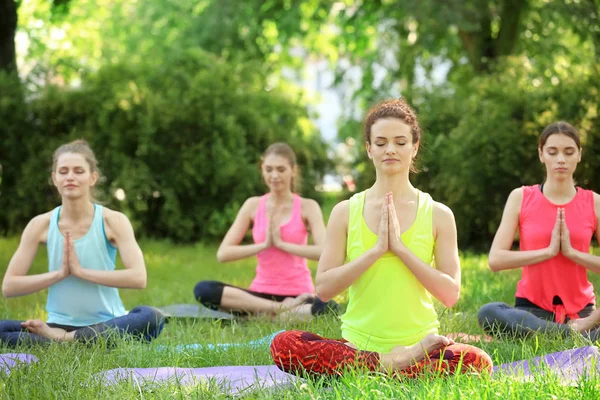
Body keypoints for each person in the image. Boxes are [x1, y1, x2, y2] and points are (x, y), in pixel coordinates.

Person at [270, 99, 492, 377]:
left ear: (415, 147)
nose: (390, 150)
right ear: (369, 148)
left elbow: (450, 294)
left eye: (400, 142)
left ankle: (368, 370)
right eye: (381, 142)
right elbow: (324, 289)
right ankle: (390, 366)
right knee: (283, 343)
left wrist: (400, 248)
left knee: (478, 361)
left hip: (422, 344)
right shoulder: (345, 212)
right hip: (358, 346)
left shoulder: (438, 214)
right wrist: (375, 250)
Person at [0, 140, 164, 346]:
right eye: (63, 171)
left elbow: (139, 278)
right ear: (54, 178)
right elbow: (9, 286)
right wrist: (59, 274)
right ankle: (71, 341)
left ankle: (65, 341)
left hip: (107, 324)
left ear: (92, 177)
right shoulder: (40, 224)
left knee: (152, 316)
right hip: (57, 324)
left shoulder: (113, 221)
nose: (70, 177)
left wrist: (81, 272)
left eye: (78, 171)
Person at [478, 121, 600, 340]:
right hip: (532, 311)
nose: (561, 159)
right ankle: (570, 334)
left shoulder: (594, 202)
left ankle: (561, 334)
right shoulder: (521, 197)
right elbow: (495, 260)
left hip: (583, 313)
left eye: (569, 152)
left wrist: (572, 253)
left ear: (579, 155)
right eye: (552, 152)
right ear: (541, 154)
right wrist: (549, 252)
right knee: (489, 313)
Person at [194, 143, 337, 319]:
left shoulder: (308, 207)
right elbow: (223, 254)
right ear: (262, 170)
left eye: (281, 169)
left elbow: (324, 252)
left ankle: (263, 314)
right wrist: (263, 245)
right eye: (269, 169)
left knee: (328, 307)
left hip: (299, 295)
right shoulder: (252, 205)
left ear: (293, 170)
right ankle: (278, 311)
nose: (274, 175)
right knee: (204, 289)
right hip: (258, 295)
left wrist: (281, 244)